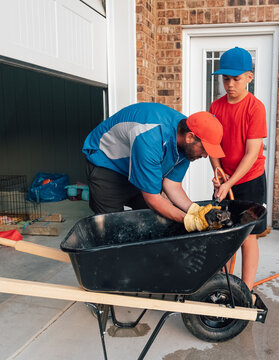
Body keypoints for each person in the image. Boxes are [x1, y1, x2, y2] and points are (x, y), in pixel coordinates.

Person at [82, 102, 225, 231]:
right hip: (107, 165)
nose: (205, 155)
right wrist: (189, 220)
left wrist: (194, 210)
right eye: (204, 149)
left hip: (136, 167)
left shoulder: (187, 142)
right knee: (112, 229)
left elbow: (172, 185)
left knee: (155, 223)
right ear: (189, 137)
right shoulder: (151, 136)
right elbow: (153, 198)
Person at [209, 47, 268, 292]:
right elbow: (212, 145)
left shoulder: (255, 108)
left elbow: (252, 152)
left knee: (247, 235)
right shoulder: (215, 107)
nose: (230, 85)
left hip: (250, 179)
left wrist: (230, 183)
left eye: (236, 79)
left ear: (249, 78)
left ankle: (245, 290)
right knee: (225, 232)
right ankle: (225, 285)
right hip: (225, 180)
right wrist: (218, 171)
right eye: (225, 79)